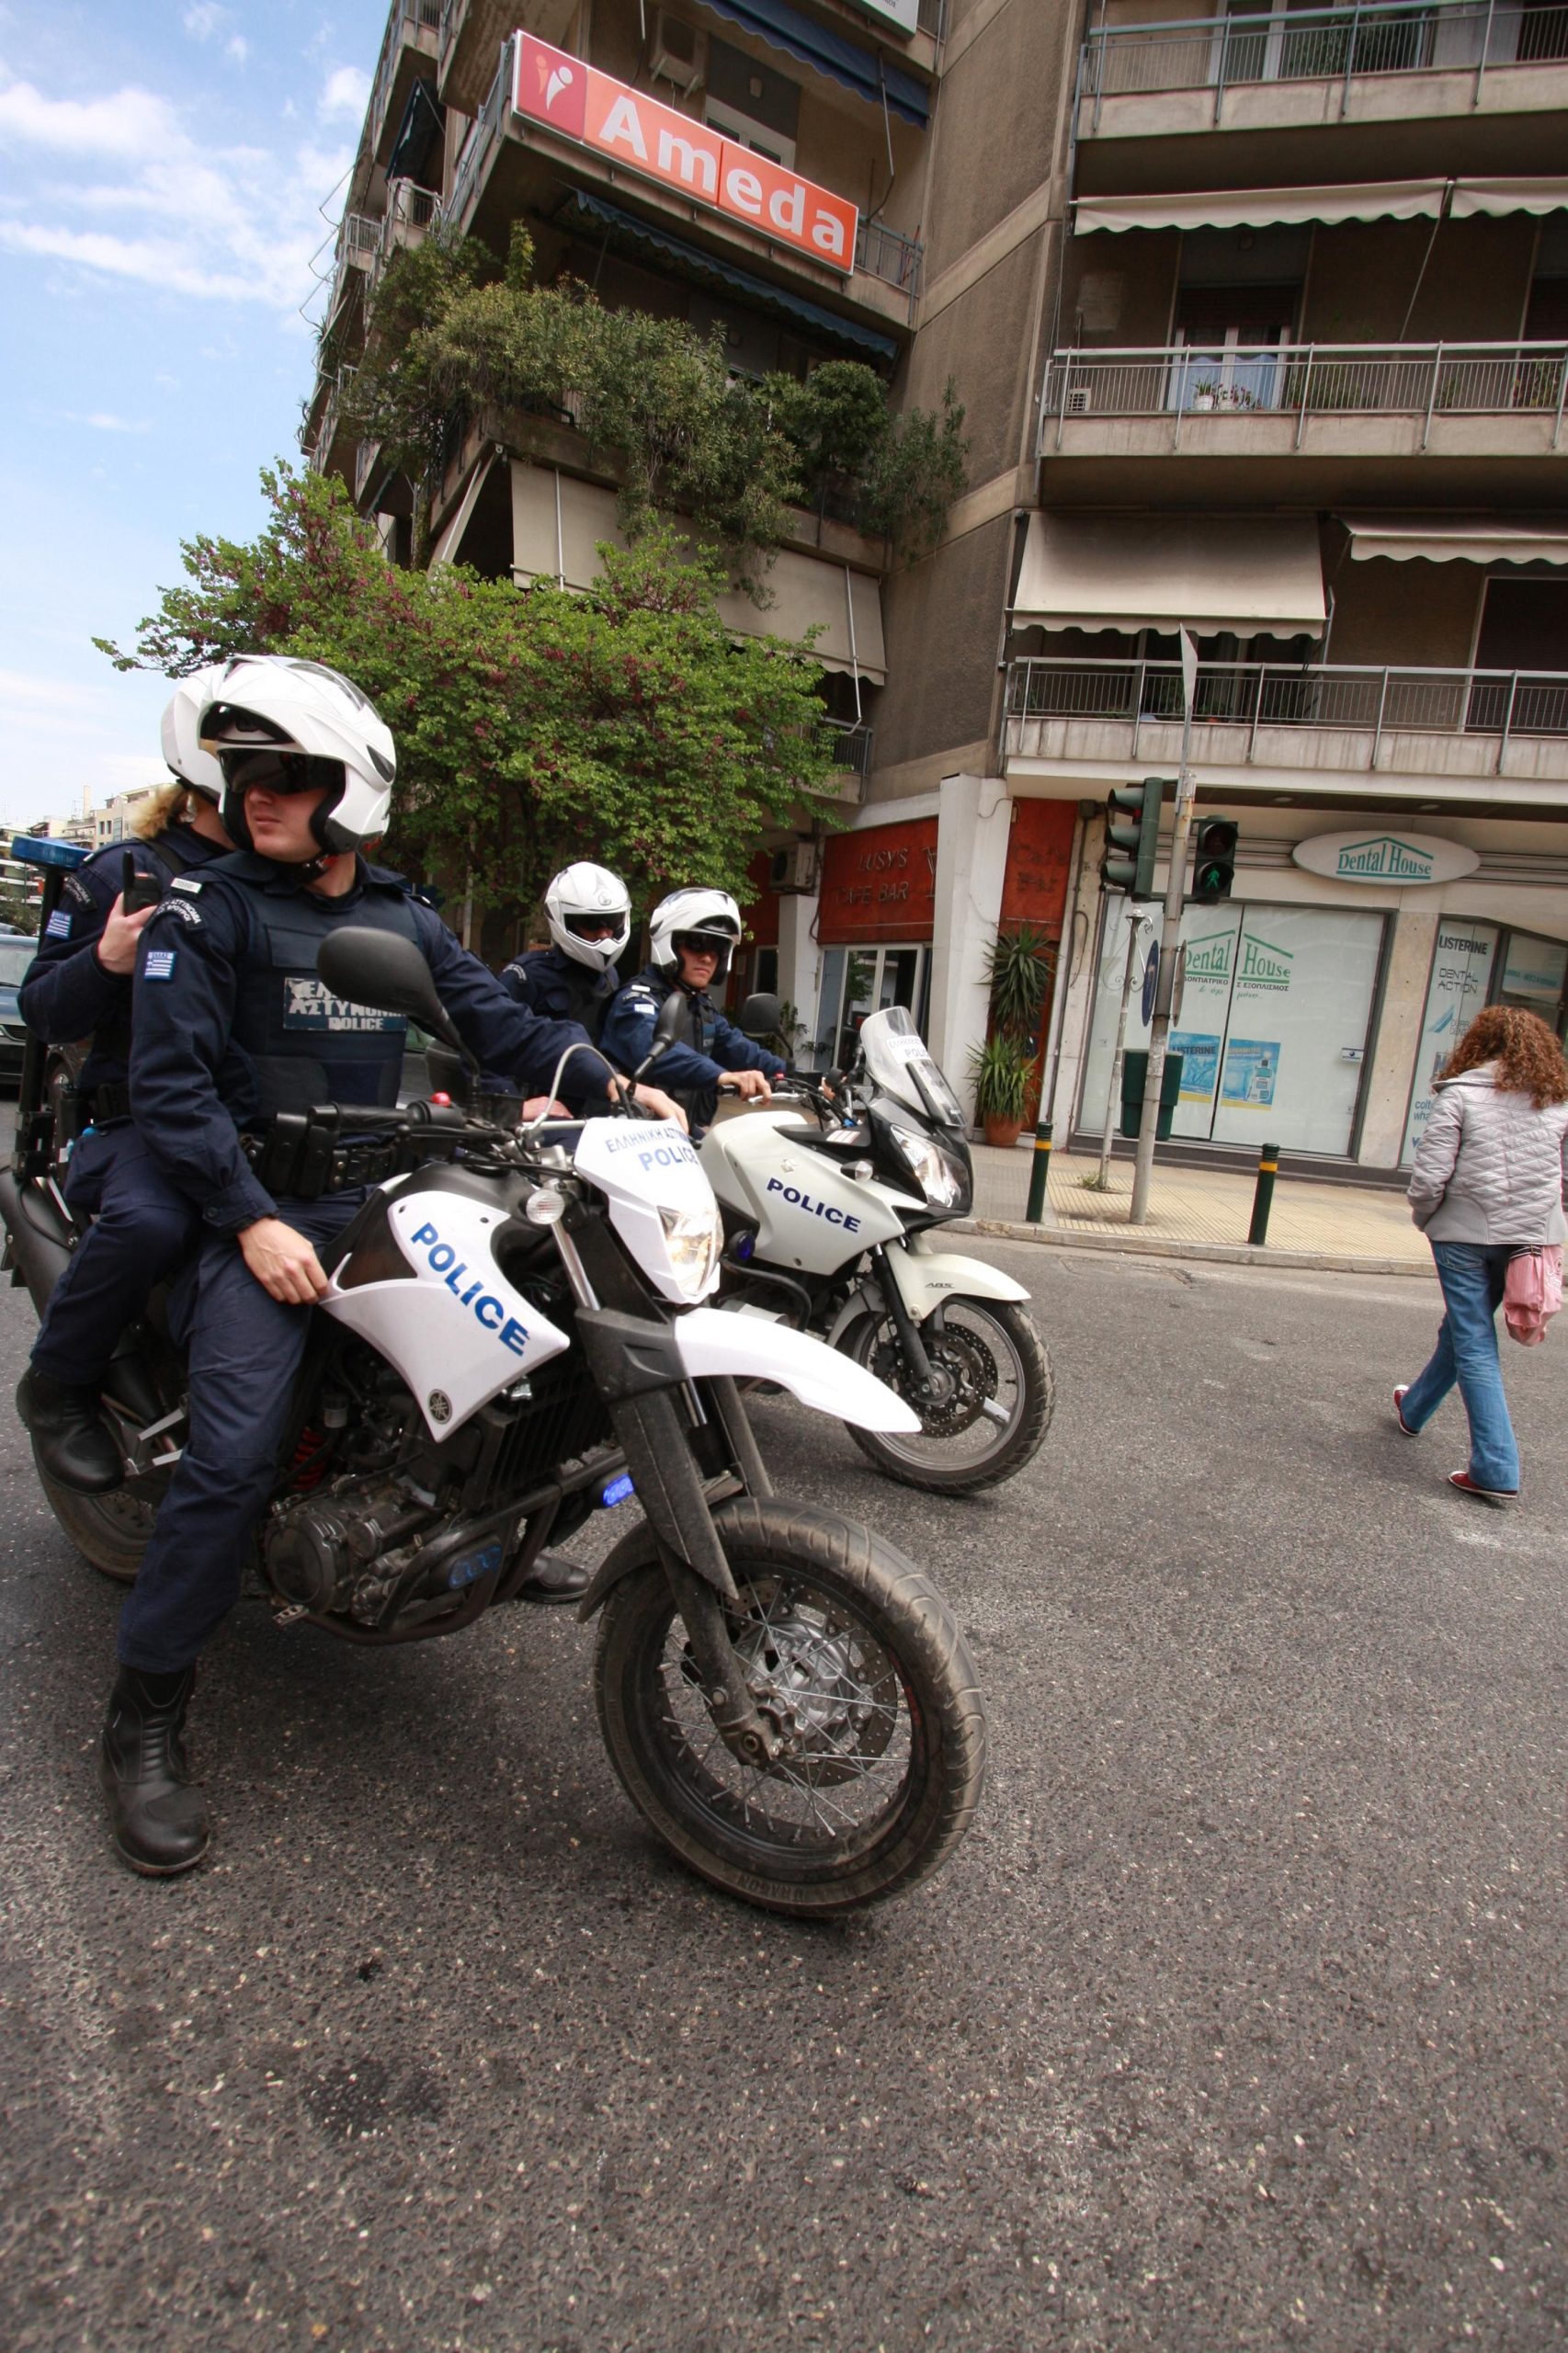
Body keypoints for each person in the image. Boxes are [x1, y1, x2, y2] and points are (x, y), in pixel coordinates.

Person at [99, 654, 684, 1879]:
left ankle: (478, 1530)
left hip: (383, 1193)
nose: (257, 792)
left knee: (536, 1342)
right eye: (245, 771)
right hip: (255, 1211)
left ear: (350, 790)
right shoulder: (208, 910)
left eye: (287, 773)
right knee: (233, 1454)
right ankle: (143, 1716)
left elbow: (503, 1024)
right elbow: (170, 1088)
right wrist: (249, 1220)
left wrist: (616, 1085)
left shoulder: (404, 917)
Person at [16, 671, 234, 1491]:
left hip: (255, 1118)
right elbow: (42, 1006)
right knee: (150, 1221)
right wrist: (107, 959)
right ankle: (58, 1383)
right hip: (140, 1122)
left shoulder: (290, 879)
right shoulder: (126, 870)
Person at [1397, 1004, 1568, 1504]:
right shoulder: (1556, 1102)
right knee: (1462, 1329)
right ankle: (1414, 1408)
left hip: (1463, 1235)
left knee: (1472, 1338)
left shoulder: (1460, 1095)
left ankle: (1495, 1466)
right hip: (1526, 1241)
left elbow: (1429, 1178)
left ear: (1480, 1045)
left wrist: (1426, 1219)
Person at [600, 887, 785, 1136]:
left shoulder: (701, 1006)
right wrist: (722, 1076)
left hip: (682, 1132)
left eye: (718, 948)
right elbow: (655, 1049)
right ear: (670, 944)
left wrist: (796, 1074)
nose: (708, 958)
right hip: (633, 1136)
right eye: (697, 944)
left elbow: (737, 1047)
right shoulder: (635, 1000)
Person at [499, 862, 631, 1042]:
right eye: (591, 923)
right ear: (564, 920)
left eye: (612, 921)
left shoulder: (609, 975)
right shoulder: (526, 976)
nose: (604, 933)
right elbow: (496, 1039)